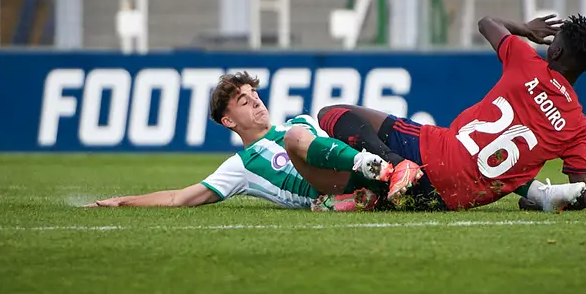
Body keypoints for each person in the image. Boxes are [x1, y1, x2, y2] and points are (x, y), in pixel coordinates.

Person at [318, 13, 586, 212]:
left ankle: (395, 165)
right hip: (451, 199)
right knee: (504, 170)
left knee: (331, 113)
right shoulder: (579, 126)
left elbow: (487, 23)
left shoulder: (527, 61)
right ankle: (538, 195)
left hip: (431, 153)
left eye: (554, 43)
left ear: (554, 53)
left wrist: (526, 29)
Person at [84, 72, 417, 211]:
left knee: (320, 120)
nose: (256, 101)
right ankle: (375, 178)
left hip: (346, 169)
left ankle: (382, 172)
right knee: (296, 137)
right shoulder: (241, 166)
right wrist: (123, 202)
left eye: (254, 94)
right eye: (244, 101)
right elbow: (178, 198)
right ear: (229, 121)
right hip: (324, 188)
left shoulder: (300, 122)